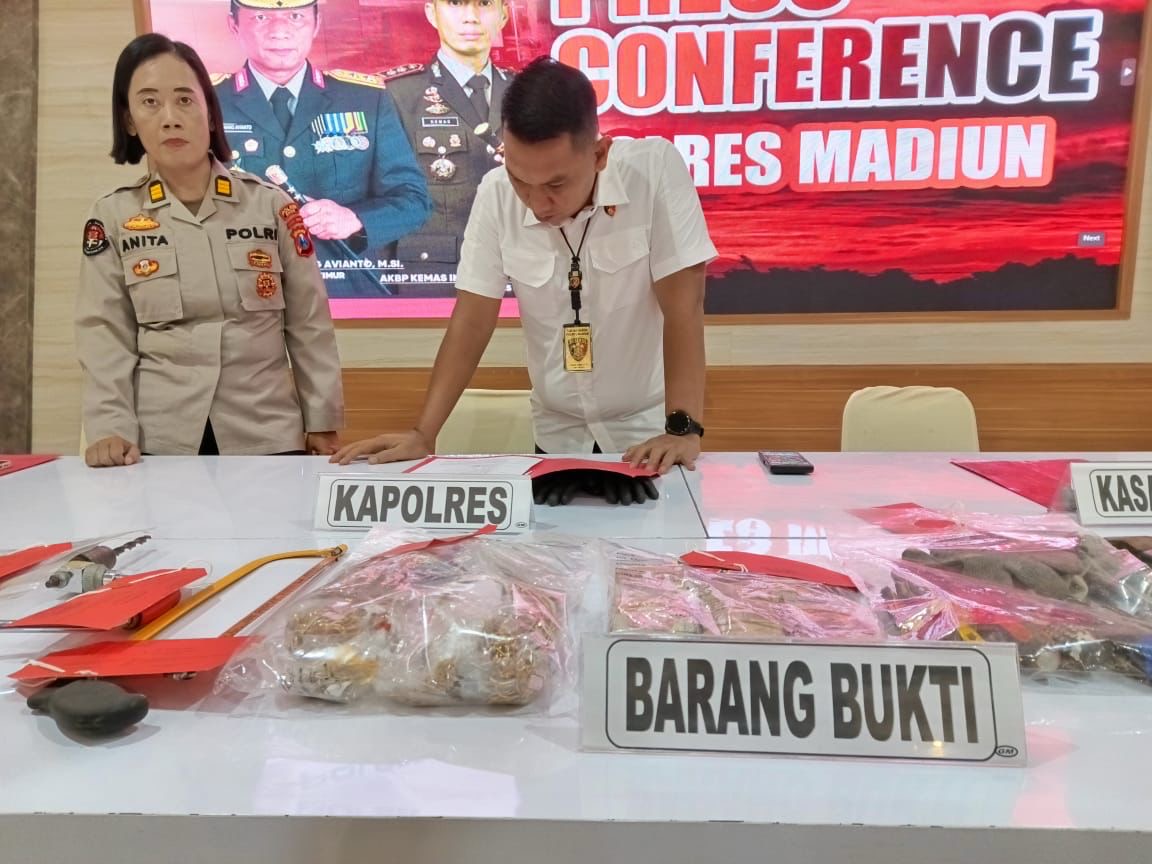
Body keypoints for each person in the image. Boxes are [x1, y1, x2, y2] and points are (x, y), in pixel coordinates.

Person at [333, 58, 716, 505]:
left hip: (646, 438)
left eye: (555, 184)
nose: (537, 203)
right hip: (556, 436)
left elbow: (684, 306)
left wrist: (683, 428)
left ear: (599, 155)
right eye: (521, 179)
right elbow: (472, 320)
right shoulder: (496, 194)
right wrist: (424, 432)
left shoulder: (653, 171)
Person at [77, 33, 345, 467]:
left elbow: (309, 323)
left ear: (211, 112)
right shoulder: (112, 216)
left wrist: (322, 420)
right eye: (150, 103)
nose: (170, 118)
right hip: (159, 443)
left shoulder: (270, 206)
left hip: (266, 436)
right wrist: (110, 428)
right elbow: (105, 334)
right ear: (129, 121)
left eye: (184, 100)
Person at [216, 0, 431, 298]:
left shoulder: (365, 99)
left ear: (316, 23)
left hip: (344, 293)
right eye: (262, 17)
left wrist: (354, 219)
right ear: (234, 25)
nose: (280, 31)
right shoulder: (205, 103)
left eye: (295, 16)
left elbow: (413, 200)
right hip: (242, 292)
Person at [382, 0, 513, 297]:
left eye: (484, 4)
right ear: (432, 13)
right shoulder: (397, 95)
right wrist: (382, 291)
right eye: (456, 3)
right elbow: (384, 201)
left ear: (503, 14)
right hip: (430, 277)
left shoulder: (528, 92)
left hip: (515, 274)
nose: (471, 17)